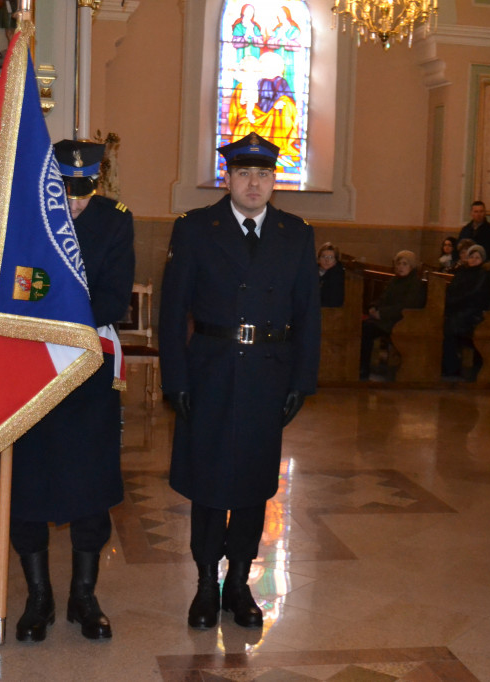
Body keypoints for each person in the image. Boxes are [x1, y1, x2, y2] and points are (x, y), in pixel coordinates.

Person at [159, 133, 320, 630]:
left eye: (265, 175)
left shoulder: (296, 233)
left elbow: (308, 313)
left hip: (267, 373)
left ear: (276, 181)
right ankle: (206, 583)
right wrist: (176, 379)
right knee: (208, 482)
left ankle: (239, 583)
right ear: (227, 178)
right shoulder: (195, 229)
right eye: (245, 174)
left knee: (253, 484)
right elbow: (172, 312)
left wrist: (302, 380)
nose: (255, 183)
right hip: (210, 369)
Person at [0, 140, 135, 643]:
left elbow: (113, 299)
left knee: (89, 489)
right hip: (29, 371)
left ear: (98, 181)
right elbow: (10, 288)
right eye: (65, 190)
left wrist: (53, 313)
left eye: (84, 189)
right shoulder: (25, 216)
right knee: (26, 487)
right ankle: (39, 598)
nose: (74, 201)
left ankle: (83, 597)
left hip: (86, 374)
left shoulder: (115, 221)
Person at [359, 250, 426, 379]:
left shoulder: (414, 284)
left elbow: (406, 307)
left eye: (405, 264)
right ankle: (360, 365)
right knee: (361, 326)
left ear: (411, 267)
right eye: (399, 264)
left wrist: (382, 314)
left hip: (399, 322)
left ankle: (363, 369)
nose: (400, 267)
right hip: (386, 318)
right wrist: (373, 307)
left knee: (366, 330)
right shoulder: (395, 280)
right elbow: (383, 298)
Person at [442, 244, 490, 379]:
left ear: (483, 260)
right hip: (460, 307)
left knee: (450, 327)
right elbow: (453, 288)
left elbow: (474, 294)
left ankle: (451, 367)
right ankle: (446, 363)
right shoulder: (463, 271)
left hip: (473, 311)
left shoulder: (484, 274)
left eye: (478, 257)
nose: (474, 260)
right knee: (440, 321)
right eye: (472, 256)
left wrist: (454, 302)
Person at [317, 242, 345, 307]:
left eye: (330, 257)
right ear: (318, 259)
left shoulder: (338, 276)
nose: (326, 260)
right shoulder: (312, 272)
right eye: (323, 256)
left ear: (336, 260)